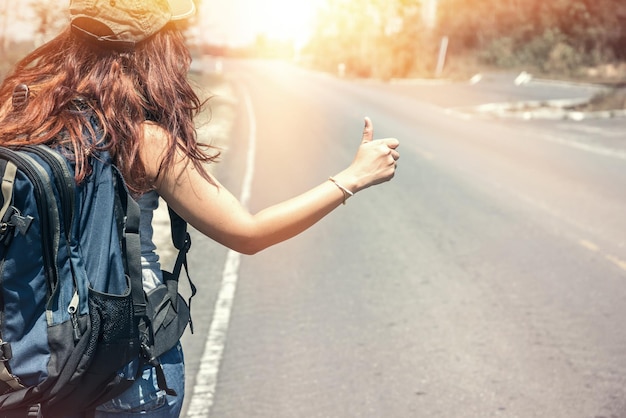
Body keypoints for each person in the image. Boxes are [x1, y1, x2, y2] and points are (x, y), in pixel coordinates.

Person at [0, 0, 399, 416]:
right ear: (152, 49)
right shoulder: (142, 138)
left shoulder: (19, 110)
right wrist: (352, 178)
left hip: (33, 359)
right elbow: (248, 232)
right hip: (124, 371)